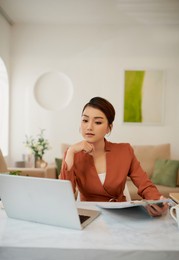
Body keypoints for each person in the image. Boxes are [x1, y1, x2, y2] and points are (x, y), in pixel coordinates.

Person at [60, 97, 168, 217]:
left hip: (120, 214)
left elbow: (145, 184)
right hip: (89, 215)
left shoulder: (124, 151)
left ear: (109, 128)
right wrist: (70, 152)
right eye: (85, 120)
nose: (89, 127)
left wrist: (158, 202)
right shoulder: (72, 153)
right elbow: (63, 198)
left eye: (98, 122)